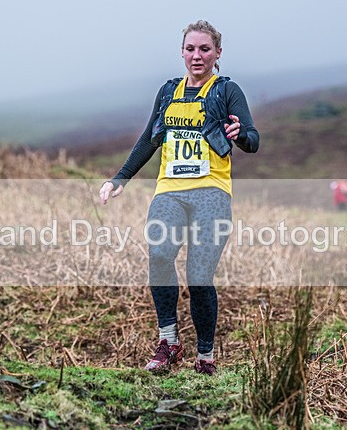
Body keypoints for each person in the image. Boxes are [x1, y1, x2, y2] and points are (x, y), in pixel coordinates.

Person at [99, 20, 259, 375]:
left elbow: (252, 139)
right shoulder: (169, 90)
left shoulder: (226, 90)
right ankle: (169, 342)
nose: (196, 55)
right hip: (169, 190)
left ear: (217, 53)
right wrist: (121, 177)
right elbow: (149, 138)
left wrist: (240, 133)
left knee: (199, 275)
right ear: (182, 52)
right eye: (190, 49)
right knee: (159, 254)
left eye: (204, 49)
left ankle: (206, 357)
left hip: (212, 192)